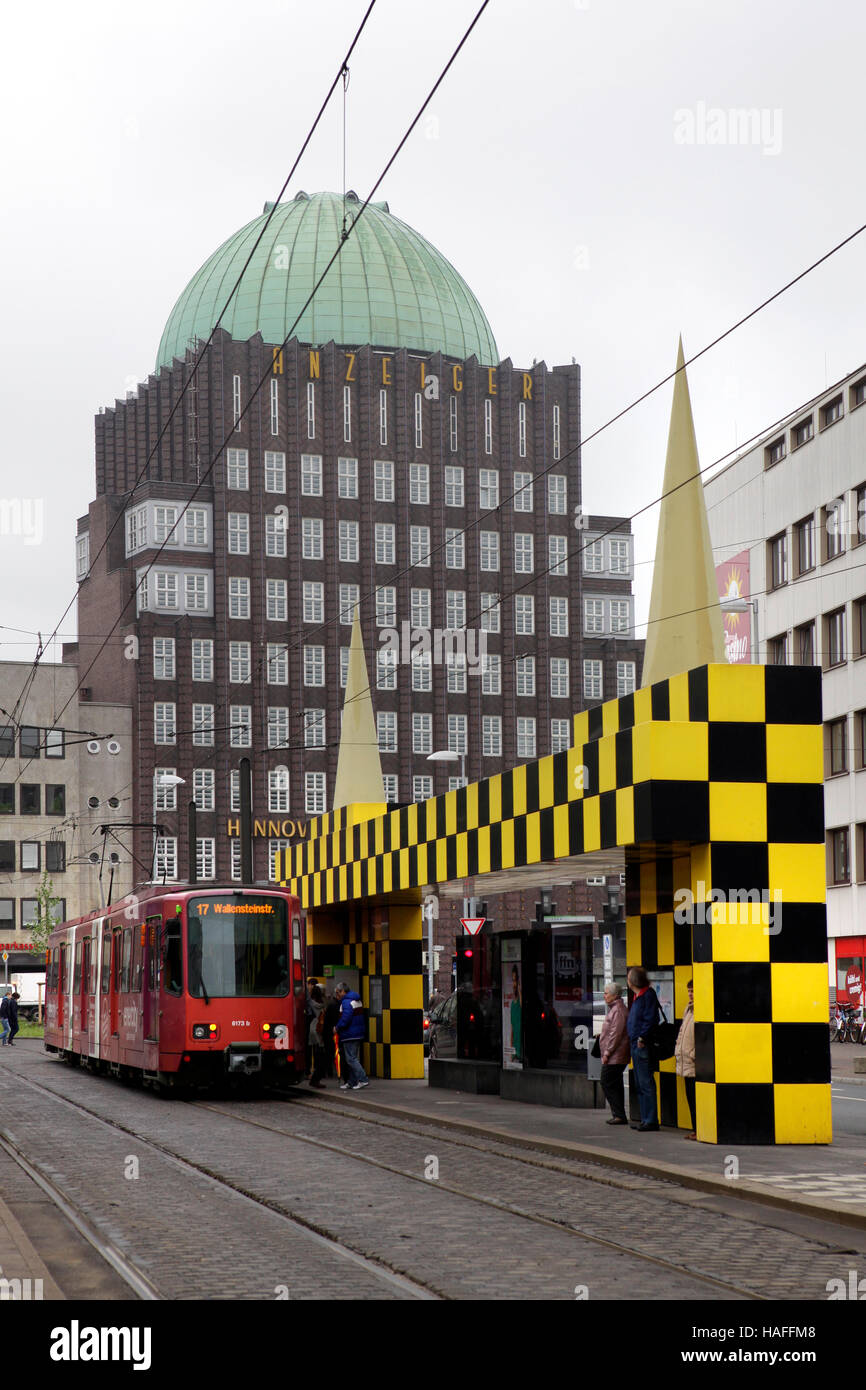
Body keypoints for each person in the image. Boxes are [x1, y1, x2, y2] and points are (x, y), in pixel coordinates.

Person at [627, 966, 660, 1132]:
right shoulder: (638, 996)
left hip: (641, 1043)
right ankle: (645, 1117)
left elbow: (650, 1018)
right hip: (635, 1043)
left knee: (646, 1083)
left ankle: (650, 1119)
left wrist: (642, 1037)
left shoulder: (647, 995)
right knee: (640, 1083)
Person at [599, 982, 630, 1125]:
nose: (604, 996)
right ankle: (619, 1114)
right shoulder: (616, 1009)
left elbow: (615, 1034)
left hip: (615, 1055)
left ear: (614, 995)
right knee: (615, 1083)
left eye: (606, 993)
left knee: (606, 1081)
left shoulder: (617, 1010)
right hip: (616, 1054)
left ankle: (618, 1114)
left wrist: (607, 1052)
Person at [334, 981, 369, 1090]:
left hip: (349, 1034)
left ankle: (363, 1079)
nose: (337, 995)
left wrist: (337, 1027)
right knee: (352, 1058)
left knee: (351, 1059)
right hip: (357, 1033)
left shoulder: (346, 1002)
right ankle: (352, 1082)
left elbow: (346, 1018)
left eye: (338, 993)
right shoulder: (356, 999)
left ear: (343, 991)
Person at [675, 978, 697, 1139]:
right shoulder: (688, 1009)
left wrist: (692, 1054)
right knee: (690, 1097)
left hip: (693, 1062)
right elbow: (683, 1032)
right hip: (685, 1061)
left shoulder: (701, 1011)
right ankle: (695, 1128)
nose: (690, 994)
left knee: (695, 1098)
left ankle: (698, 1129)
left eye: (693, 991)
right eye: (689, 991)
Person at [307, 984, 327, 1088]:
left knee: (315, 1054)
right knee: (320, 1055)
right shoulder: (323, 1004)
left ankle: (312, 1075)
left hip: (312, 1029)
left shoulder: (310, 1002)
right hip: (319, 1031)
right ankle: (315, 1079)